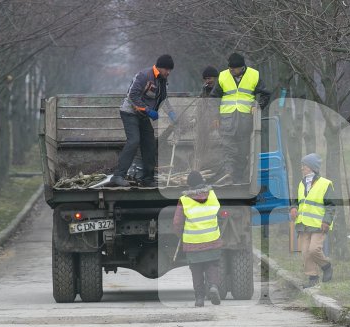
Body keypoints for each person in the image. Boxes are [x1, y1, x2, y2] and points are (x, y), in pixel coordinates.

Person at [110, 54, 177, 188]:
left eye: (170, 70)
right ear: (159, 67)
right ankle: (118, 176)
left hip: (143, 116)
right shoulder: (144, 75)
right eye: (167, 69)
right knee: (134, 141)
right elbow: (132, 95)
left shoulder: (163, 81)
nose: (168, 72)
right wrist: (147, 110)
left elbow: (163, 100)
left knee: (150, 144)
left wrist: (171, 113)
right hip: (129, 113)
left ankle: (148, 179)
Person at [210, 52, 270, 184]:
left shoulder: (254, 75)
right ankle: (228, 175)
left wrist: (258, 106)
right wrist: (215, 116)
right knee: (228, 149)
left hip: (245, 121)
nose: (231, 71)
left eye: (234, 69)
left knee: (242, 153)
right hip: (227, 120)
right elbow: (214, 98)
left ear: (242, 67)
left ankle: (237, 177)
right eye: (230, 68)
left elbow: (266, 94)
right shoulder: (223, 76)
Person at [173, 171, 223, 307]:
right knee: (212, 265)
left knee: (196, 270)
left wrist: (181, 235)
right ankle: (213, 286)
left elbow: (177, 223)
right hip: (212, 239)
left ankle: (199, 298)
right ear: (202, 181)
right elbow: (219, 214)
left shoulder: (184, 200)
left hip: (192, 243)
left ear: (189, 184)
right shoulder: (212, 195)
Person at [289, 153, 335, 288]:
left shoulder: (326, 184)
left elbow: (331, 205)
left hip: (319, 224)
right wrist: (293, 208)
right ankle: (312, 278)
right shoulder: (301, 183)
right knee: (305, 252)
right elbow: (297, 201)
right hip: (303, 224)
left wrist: (326, 221)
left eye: (304, 165)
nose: (302, 168)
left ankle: (326, 266)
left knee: (314, 250)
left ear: (311, 167)